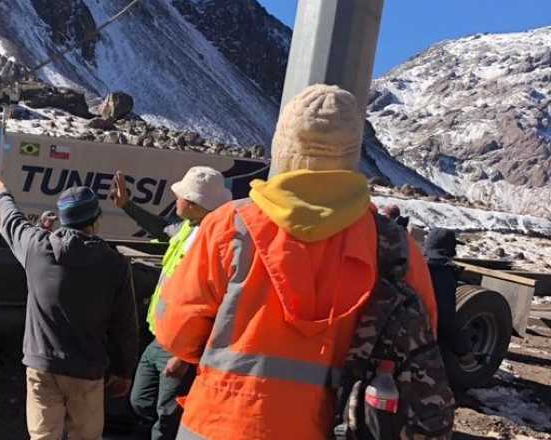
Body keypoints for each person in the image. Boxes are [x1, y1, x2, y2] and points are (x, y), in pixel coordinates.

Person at [154, 84, 439, 439]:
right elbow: (421, 342)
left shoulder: (231, 225)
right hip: (335, 427)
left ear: (284, 146)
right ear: (352, 153)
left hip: (222, 422)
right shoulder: (395, 245)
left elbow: (177, 333)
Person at [0, 176, 137, 440]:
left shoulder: (36, 247)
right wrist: (124, 371)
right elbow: (123, 325)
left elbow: (11, 221)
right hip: (87, 370)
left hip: (42, 365)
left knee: (43, 436)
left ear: (62, 217)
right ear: (95, 221)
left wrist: (1, 193)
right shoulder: (115, 265)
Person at [109, 168, 231, 440]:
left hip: (179, 346)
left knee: (167, 416)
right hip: (159, 337)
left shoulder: (211, 240)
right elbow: (161, 227)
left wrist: (185, 356)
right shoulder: (190, 227)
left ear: (193, 203)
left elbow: (216, 305)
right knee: (140, 402)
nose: (175, 199)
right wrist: (127, 205)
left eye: (179, 196)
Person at [424, 228, 476, 370]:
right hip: (420, 341)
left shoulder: (415, 261)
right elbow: (445, 319)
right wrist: (464, 351)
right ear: (448, 250)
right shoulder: (441, 272)